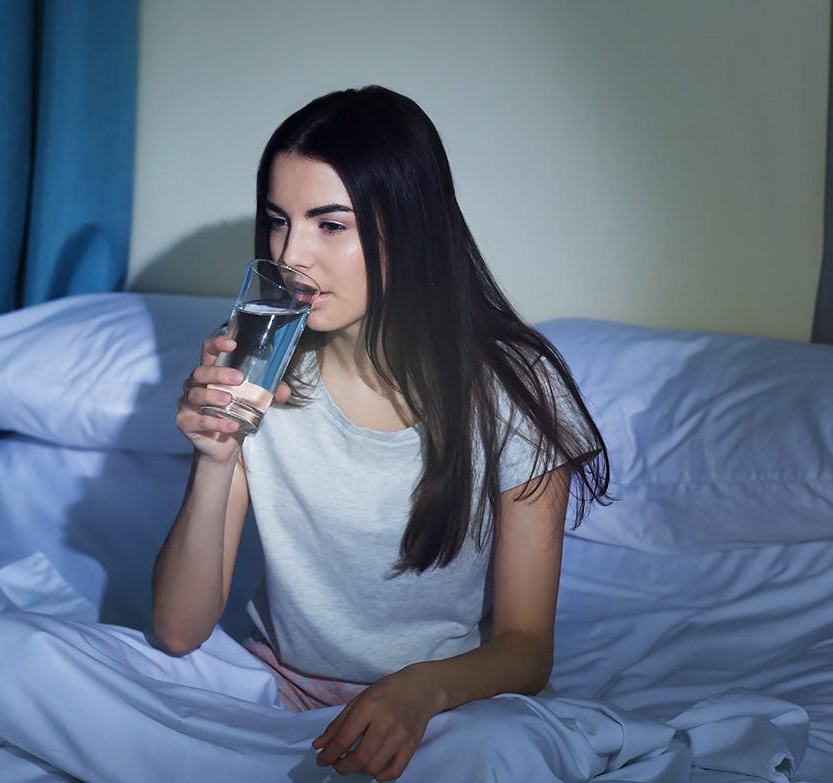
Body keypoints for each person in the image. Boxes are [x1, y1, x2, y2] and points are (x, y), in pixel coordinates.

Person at [154, 85, 610, 781]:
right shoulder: (257, 356)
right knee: (8, 659)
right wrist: (215, 462)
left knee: (503, 751)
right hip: (273, 689)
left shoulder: (516, 388)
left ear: (410, 227)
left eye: (329, 225)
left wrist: (419, 690)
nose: (292, 253)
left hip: (438, 706)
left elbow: (525, 647)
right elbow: (180, 630)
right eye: (278, 221)